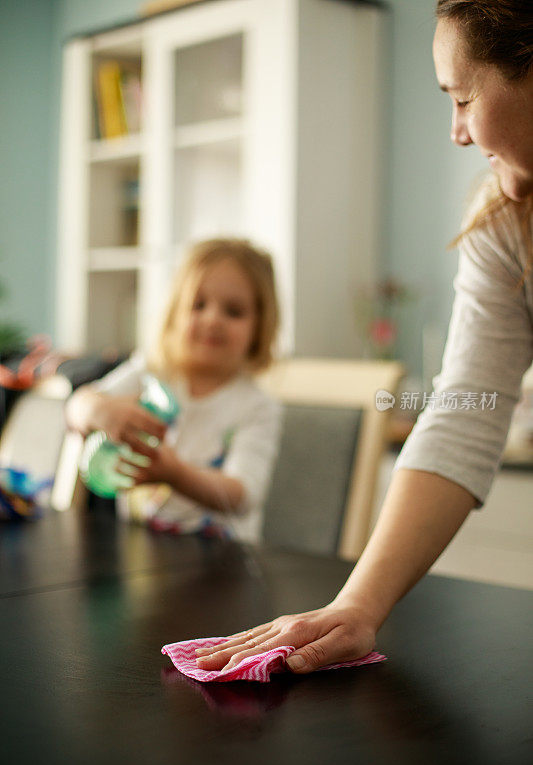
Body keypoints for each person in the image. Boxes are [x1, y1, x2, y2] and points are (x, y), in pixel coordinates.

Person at [195, 0, 533, 674]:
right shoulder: (501, 225)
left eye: (462, 98)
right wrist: (359, 603)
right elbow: (467, 406)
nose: (456, 132)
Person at [66, 238, 282, 543]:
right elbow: (77, 405)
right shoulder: (152, 371)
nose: (212, 320)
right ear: (175, 313)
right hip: (142, 554)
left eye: (233, 311)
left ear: (260, 327)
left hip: (225, 567)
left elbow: (242, 496)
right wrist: (98, 410)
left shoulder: (257, 407)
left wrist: (175, 474)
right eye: (198, 305)